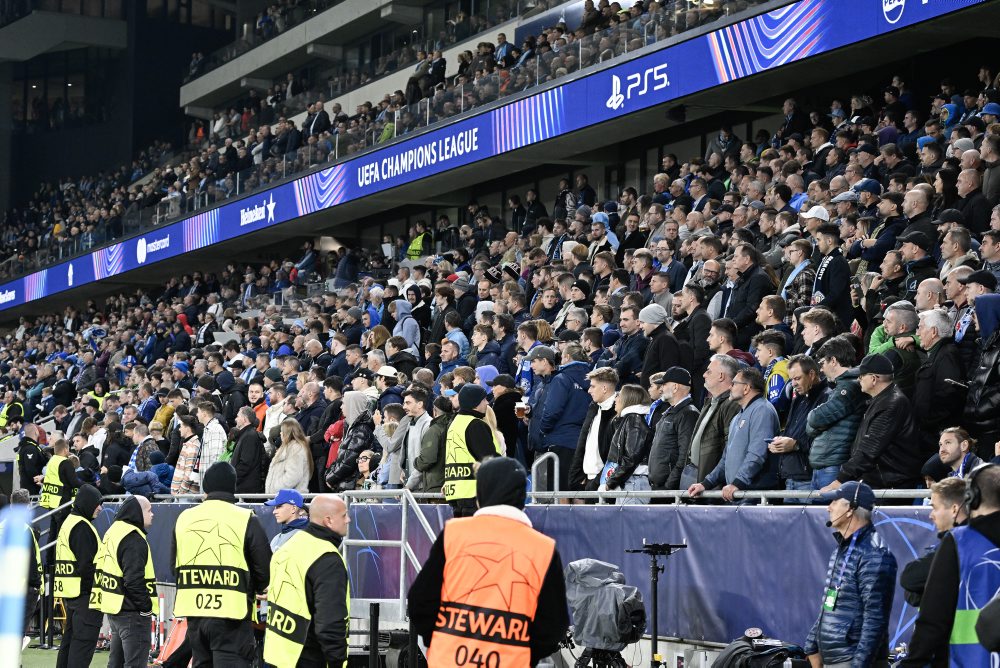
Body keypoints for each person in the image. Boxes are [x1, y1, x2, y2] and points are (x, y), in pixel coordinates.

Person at [408, 458, 569, 666]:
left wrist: (439, 640)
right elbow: (554, 625)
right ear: (522, 497)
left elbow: (420, 602)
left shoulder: (454, 534)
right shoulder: (543, 549)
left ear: (480, 494)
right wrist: (524, 656)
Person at [172, 462, 271, 667]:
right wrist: (257, 588)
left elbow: (175, 565)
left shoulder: (184, 518)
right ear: (232, 487)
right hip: (231, 616)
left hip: (195, 613)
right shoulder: (245, 518)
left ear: (205, 487)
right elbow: (264, 569)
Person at [902, 465, 1000, 666]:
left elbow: (933, 617)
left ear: (972, 497)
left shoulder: (961, 541)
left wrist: (913, 662)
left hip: (968, 660)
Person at [805, 481, 897, 668]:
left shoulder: (875, 554)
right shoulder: (842, 549)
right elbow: (830, 603)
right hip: (835, 659)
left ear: (850, 509)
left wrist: (858, 665)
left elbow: (875, 620)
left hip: (852, 661)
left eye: (834, 502)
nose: (828, 508)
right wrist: (811, 645)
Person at [264, 494, 352, 667]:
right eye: (343, 515)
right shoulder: (327, 558)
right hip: (309, 657)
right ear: (329, 520)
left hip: (278, 655)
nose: (348, 520)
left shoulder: (289, 546)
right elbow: (330, 621)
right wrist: (338, 662)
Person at [822, 353, 923, 493]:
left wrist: (841, 479)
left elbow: (869, 449)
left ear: (874, 379)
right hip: (881, 482)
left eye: (862, 376)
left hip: (890, 485)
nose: (858, 379)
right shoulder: (882, 400)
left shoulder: (891, 403)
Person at [688, 367, 780, 502]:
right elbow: (726, 458)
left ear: (746, 388)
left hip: (754, 495)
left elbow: (757, 454)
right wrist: (705, 483)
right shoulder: (737, 417)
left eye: (734, 383)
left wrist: (738, 483)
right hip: (737, 493)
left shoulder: (762, 410)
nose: (730, 387)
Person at [91, 495, 157, 668]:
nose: (153, 514)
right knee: (134, 664)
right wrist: (146, 608)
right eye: (149, 510)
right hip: (132, 613)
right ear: (137, 512)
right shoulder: (133, 538)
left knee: (116, 663)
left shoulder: (113, 531)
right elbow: (134, 580)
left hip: (115, 608)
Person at [899, 476, 968, 608]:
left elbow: (910, 579)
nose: (931, 515)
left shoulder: (958, 546)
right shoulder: (952, 542)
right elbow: (912, 593)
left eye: (935, 508)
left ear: (954, 509)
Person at [54, 484, 104, 668]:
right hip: (86, 596)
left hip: (73, 594)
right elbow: (88, 565)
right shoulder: (82, 527)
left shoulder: (69, 522)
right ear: (88, 503)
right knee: (82, 648)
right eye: (97, 503)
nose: (100, 508)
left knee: (69, 645)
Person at [443, 383, 502, 517]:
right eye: (484, 400)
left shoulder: (455, 423)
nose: (487, 403)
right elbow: (489, 459)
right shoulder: (475, 424)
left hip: (456, 491)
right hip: (475, 493)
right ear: (475, 403)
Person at [648, 367, 700, 491]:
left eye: (664, 384)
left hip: (669, 491)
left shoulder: (688, 413)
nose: (661, 389)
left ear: (675, 387)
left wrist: (669, 486)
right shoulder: (671, 411)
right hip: (659, 487)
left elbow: (685, 456)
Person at [266, 488, 309, 552]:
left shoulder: (305, 536)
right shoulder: (276, 538)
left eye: (279, 506)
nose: (274, 512)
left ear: (293, 509)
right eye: (275, 507)